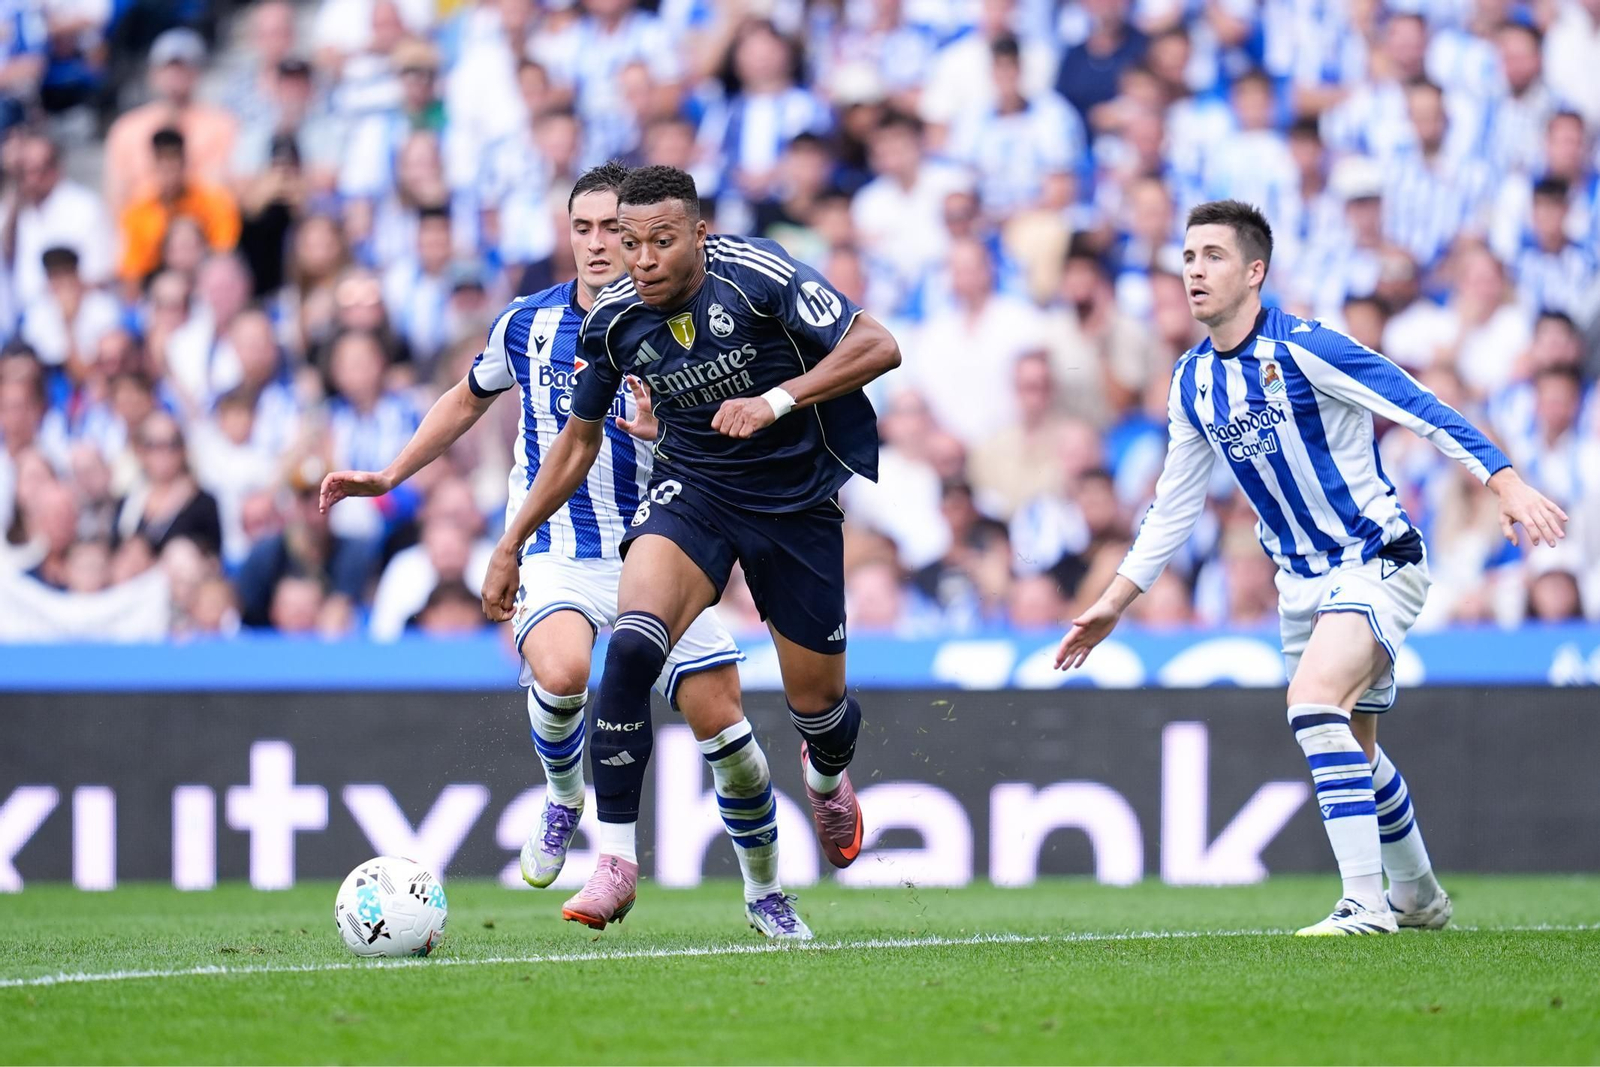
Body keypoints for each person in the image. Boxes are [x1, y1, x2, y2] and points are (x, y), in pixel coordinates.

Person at [320, 163, 809, 940]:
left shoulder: (684, 322)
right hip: (557, 544)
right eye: (581, 228)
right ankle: (563, 793)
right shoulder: (527, 322)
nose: (596, 244)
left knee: (729, 735)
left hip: (662, 543)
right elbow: (465, 398)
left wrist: (673, 433)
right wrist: (388, 474)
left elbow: (732, 435)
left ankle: (766, 890)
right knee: (563, 668)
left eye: (612, 229)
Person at [1054, 200, 1568, 936]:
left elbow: (1418, 403)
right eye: (1189, 255)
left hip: (1374, 559)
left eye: (1214, 256)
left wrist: (1504, 478)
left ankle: (1363, 903)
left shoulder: (1308, 349)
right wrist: (1114, 600)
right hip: (1300, 584)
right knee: (1357, 748)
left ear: (1255, 271)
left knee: (1312, 700)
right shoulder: (1194, 381)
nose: (1194, 269)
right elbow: (1174, 505)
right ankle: (1418, 896)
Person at [475, 164, 901, 929]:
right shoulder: (613, 319)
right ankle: (614, 862)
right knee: (632, 649)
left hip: (795, 502)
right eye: (630, 243)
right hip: (694, 492)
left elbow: (878, 344)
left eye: (660, 241)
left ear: (699, 234)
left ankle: (828, 777)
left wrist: (776, 400)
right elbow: (574, 444)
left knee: (821, 708)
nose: (641, 259)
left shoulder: (757, 275)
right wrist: (511, 540)